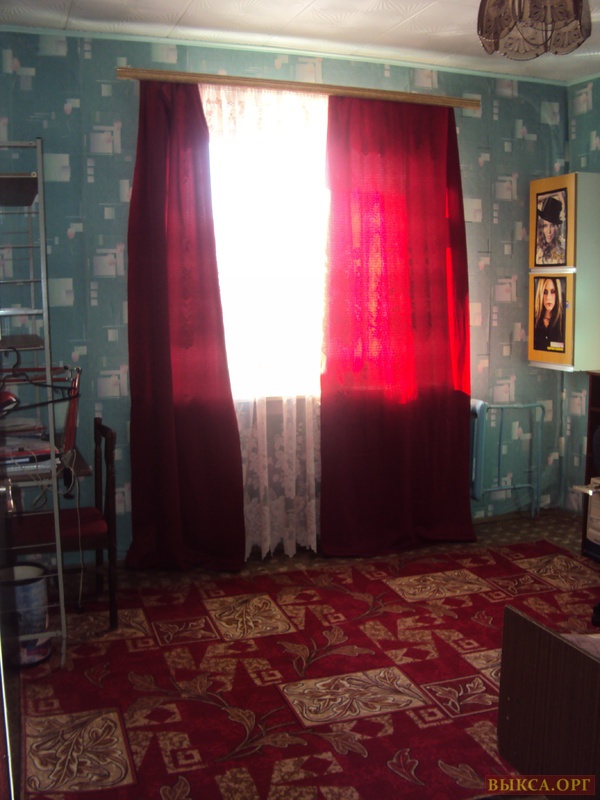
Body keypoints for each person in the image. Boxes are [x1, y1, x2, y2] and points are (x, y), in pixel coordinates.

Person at [533, 276, 565, 352]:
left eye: (552, 291)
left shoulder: (563, 322)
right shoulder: (534, 321)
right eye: (545, 292)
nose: (548, 297)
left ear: (557, 294)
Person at [535, 194, 566, 265]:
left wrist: (563, 203)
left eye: (552, 226)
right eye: (545, 226)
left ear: (556, 228)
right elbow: (534, 199)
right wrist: (557, 193)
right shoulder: (537, 249)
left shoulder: (561, 252)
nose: (549, 231)